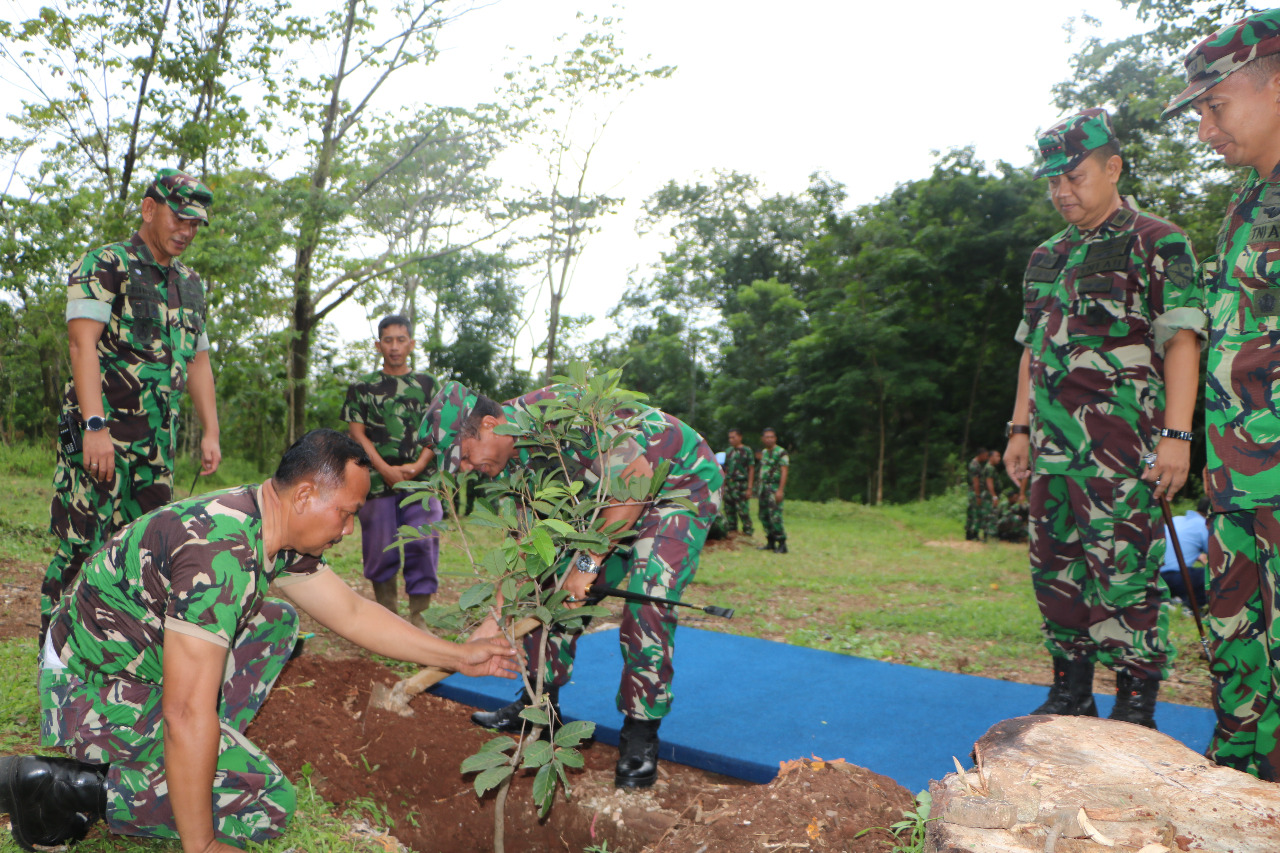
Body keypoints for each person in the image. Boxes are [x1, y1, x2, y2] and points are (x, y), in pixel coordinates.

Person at [1, 429, 516, 851]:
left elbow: (355, 613)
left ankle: (190, 753)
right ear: (307, 495)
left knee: (275, 622)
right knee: (266, 801)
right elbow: (184, 713)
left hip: (127, 658)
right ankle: (74, 791)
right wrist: (201, 846)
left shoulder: (264, 521)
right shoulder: (220, 551)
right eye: (347, 513)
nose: (348, 529)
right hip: (90, 687)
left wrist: (461, 656)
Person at [1003, 107, 1206, 730]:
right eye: (1053, 181)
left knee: (1124, 576)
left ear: (1112, 166)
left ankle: (1136, 706)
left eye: (1076, 176)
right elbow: (1033, 350)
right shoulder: (1046, 256)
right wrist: (1017, 429)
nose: (1062, 191)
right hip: (1051, 452)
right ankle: (1071, 693)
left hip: (1122, 450)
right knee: (1054, 571)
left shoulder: (1156, 240)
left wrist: (1176, 436)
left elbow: (1181, 341)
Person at [419, 381, 723, 789]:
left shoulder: (565, 413)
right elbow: (527, 551)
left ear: (490, 424)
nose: (468, 468)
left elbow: (631, 487)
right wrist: (493, 619)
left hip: (675, 483)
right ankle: (540, 705)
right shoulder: (506, 465)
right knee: (547, 589)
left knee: (649, 600)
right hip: (601, 505)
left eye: (467, 457)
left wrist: (585, 564)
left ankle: (640, 732)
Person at [1162, 7, 1280, 779]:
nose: (1206, 128)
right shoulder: (1243, 209)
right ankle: (1239, 785)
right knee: (1238, 651)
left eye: (1215, 105)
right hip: (1238, 488)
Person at [42, 169, 223, 646]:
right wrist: (94, 426)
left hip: (155, 446)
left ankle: (113, 645)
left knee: (142, 549)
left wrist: (211, 431)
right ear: (148, 210)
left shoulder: (190, 283)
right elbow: (83, 347)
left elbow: (199, 360)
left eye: (195, 225)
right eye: (179, 218)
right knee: (82, 544)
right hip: (103, 439)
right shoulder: (106, 264)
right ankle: (54, 650)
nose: (186, 231)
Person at [342, 314, 441, 627]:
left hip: (421, 483)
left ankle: (419, 617)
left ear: (411, 344)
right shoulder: (362, 388)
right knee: (380, 549)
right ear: (378, 345)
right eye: (388, 340)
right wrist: (383, 468)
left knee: (423, 543)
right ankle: (388, 618)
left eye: (401, 340)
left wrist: (420, 464)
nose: (394, 347)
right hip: (376, 483)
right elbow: (356, 433)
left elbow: (440, 428)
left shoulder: (428, 385)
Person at [1159, 498, 1210, 606]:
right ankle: (1196, 606)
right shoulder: (1203, 525)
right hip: (1178, 578)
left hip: (1158, 578)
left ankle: (1177, 600)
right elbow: (1215, 554)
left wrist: (1196, 555)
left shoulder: (1176, 519)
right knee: (1211, 575)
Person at [757, 427, 790, 553]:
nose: (769, 439)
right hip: (763, 488)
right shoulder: (764, 452)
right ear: (763, 439)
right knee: (764, 515)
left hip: (774, 488)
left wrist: (780, 490)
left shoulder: (781, 452)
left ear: (775, 438)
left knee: (775, 516)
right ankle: (770, 541)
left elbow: (784, 471)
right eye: (767, 437)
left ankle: (782, 543)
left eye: (771, 437)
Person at [721, 428, 755, 536]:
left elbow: (751, 469)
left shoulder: (747, 450)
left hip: (741, 484)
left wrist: (749, 487)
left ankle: (748, 531)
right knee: (729, 509)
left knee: (743, 509)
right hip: (729, 484)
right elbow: (725, 469)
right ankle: (732, 531)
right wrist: (723, 485)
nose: (731, 440)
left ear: (740, 437)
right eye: (729, 438)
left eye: (733, 437)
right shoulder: (728, 451)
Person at [965, 448, 992, 541]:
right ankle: (973, 534)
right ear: (980, 454)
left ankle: (969, 534)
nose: (986, 457)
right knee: (976, 513)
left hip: (973, 492)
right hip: (974, 492)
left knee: (971, 513)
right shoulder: (974, 465)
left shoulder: (976, 465)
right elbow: (975, 482)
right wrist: (978, 495)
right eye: (985, 455)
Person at [983, 450, 1004, 541]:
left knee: (989, 514)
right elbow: (989, 482)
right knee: (992, 514)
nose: (999, 458)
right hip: (989, 495)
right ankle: (990, 536)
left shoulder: (990, 467)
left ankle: (987, 535)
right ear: (990, 457)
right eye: (997, 456)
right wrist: (994, 496)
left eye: (999, 456)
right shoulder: (990, 468)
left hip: (989, 495)